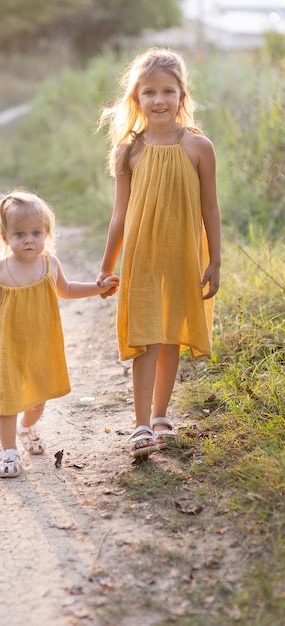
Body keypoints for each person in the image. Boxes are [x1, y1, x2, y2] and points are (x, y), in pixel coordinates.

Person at [96, 47, 221, 459]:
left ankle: (162, 415)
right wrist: (106, 266)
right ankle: (140, 424)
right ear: (137, 99)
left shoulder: (199, 147)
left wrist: (214, 260)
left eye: (168, 90)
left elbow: (209, 209)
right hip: (142, 256)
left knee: (171, 339)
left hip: (182, 254)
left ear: (182, 96)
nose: (159, 100)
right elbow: (119, 216)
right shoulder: (129, 151)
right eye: (149, 92)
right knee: (146, 339)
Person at [0, 189, 119, 478]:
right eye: (20, 234)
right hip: (7, 348)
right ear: (5, 237)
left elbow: (67, 289)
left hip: (40, 346)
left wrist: (98, 287)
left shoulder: (50, 264)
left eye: (36, 233)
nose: (29, 240)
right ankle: (8, 452)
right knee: (8, 399)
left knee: (38, 399)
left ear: (47, 233)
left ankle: (27, 427)